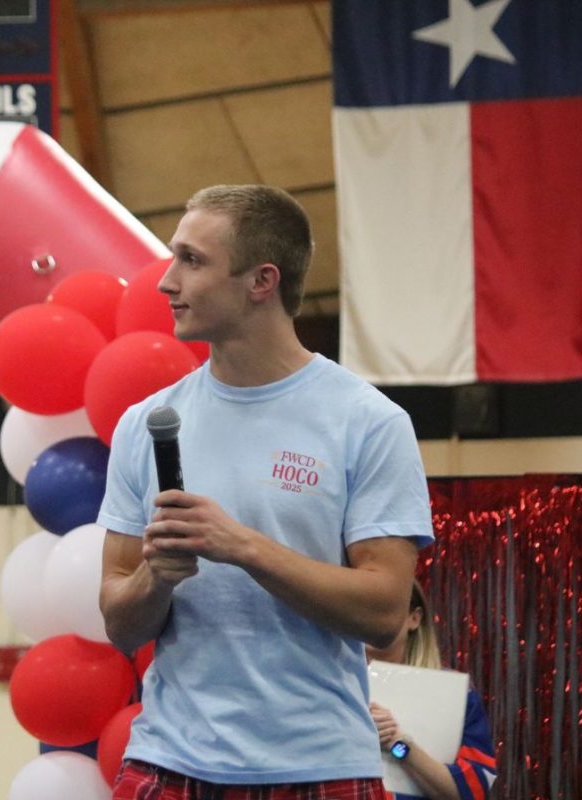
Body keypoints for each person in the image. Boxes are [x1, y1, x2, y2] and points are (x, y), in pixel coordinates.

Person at [97, 184, 434, 797]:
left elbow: (386, 613)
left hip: (322, 768)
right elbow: (121, 625)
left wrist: (244, 547)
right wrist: (158, 578)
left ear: (262, 281)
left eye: (191, 261)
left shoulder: (367, 422)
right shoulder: (144, 424)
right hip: (169, 763)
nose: (165, 282)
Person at [368, 581, 498, 799]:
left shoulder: (454, 695)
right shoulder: (326, 686)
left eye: (382, 608)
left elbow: (472, 790)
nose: (368, 619)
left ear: (414, 618)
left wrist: (397, 744)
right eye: (360, 608)